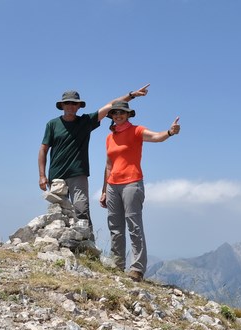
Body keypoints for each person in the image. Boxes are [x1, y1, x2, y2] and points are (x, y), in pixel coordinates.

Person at [38, 85, 150, 238]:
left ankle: (87, 245)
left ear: (78, 106)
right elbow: (43, 149)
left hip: (78, 174)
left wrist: (131, 95)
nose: (70, 106)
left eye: (74, 103)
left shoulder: (85, 121)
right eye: (67, 103)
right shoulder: (52, 124)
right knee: (59, 213)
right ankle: (58, 244)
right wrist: (42, 176)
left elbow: (110, 106)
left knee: (81, 210)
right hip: (56, 175)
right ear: (62, 105)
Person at [99, 100, 180, 282]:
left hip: (132, 183)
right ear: (111, 116)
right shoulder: (109, 138)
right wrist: (104, 190)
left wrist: (169, 132)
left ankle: (136, 269)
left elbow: (156, 137)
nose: (118, 115)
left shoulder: (136, 131)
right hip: (112, 185)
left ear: (128, 115)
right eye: (115, 113)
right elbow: (108, 165)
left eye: (122, 112)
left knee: (134, 225)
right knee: (115, 226)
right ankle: (117, 264)